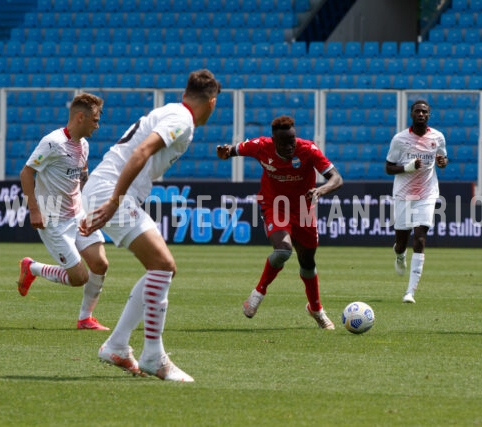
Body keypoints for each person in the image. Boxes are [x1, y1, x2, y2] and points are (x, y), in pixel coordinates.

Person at [79, 69, 221, 382]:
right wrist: (116, 200)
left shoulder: (169, 110)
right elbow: (142, 151)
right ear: (211, 102)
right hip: (112, 192)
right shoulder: (181, 120)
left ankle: (117, 345)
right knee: (163, 265)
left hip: (109, 189)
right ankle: (152, 355)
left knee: (161, 267)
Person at [216, 115, 343, 330]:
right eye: (284, 143)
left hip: (304, 208)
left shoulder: (308, 149)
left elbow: (336, 178)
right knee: (283, 250)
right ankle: (258, 292)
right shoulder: (260, 146)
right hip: (275, 205)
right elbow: (233, 150)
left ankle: (315, 309)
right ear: (274, 141)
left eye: (292, 141)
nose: (290, 146)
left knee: (308, 263)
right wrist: (226, 152)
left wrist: (321, 190)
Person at [17, 93, 110, 330]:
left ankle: (85, 318)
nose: (97, 126)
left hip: (77, 215)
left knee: (100, 264)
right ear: (81, 117)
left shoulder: (84, 145)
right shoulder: (53, 142)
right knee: (80, 278)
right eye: (95, 120)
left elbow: (82, 176)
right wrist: (34, 211)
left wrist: (89, 206)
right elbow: (26, 173)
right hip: (53, 220)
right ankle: (32, 268)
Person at [385, 100, 448, 304]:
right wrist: (408, 168)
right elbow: (388, 167)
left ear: (429, 115)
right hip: (404, 194)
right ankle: (399, 255)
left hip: (427, 193)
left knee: (420, 238)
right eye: (417, 111)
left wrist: (442, 162)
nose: (421, 114)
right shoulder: (400, 139)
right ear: (411, 114)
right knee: (402, 241)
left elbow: (443, 159)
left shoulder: (437, 137)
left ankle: (410, 291)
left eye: (424, 111)